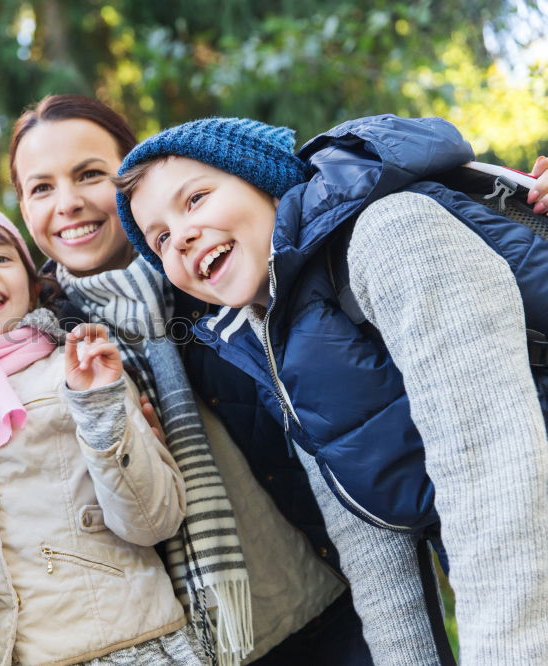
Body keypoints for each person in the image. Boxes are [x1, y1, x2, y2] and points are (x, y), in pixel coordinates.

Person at [114, 114, 548, 664]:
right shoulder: (271, 339)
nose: (181, 237)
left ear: (261, 179)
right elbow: (372, 544)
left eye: (195, 199)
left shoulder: (392, 233)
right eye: (160, 238)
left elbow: (491, 466)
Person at [8, 95, 361, 664]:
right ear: (23, 208)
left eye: (90, 174)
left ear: (131, 179)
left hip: (335, 581)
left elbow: (333, 211)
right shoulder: (38, 345)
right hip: (207, 638)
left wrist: (512, 198)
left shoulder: (216, 259)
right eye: (41, 188)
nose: (68, 204)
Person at [0, 203, 207, 665]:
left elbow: (155, 522)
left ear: (33, 285)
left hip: (132, 641)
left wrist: (99, 409)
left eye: (1, 258)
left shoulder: (80, 368)